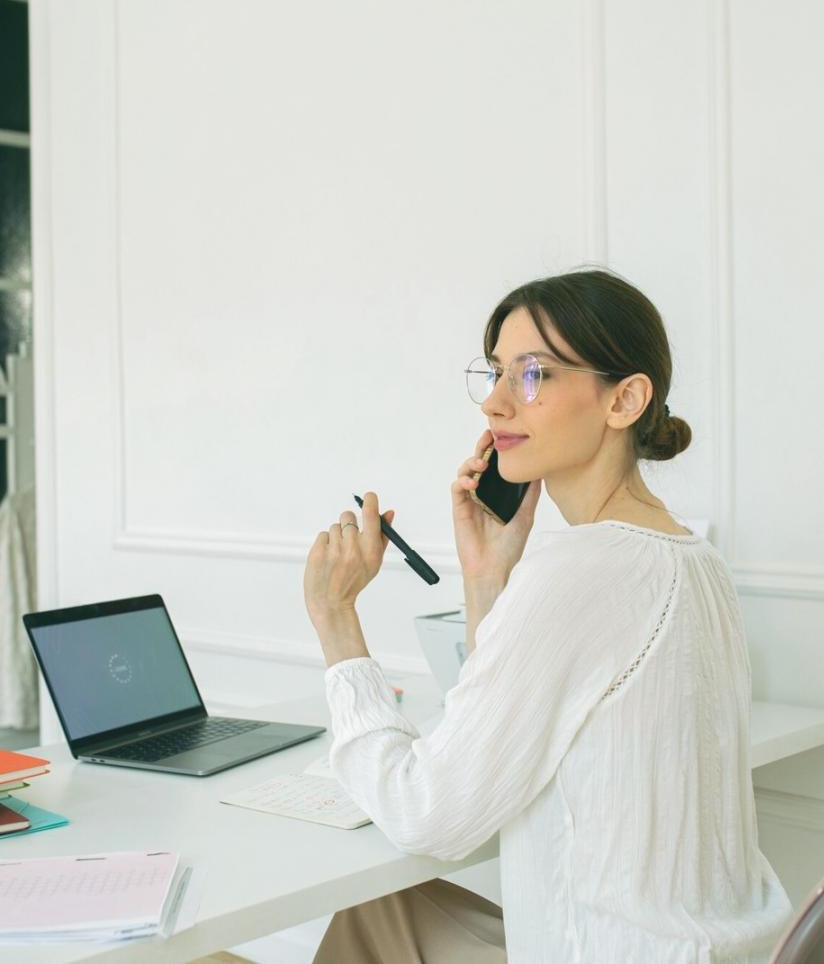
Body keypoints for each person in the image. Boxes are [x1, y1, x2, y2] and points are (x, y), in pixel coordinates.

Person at [302, 268, 792, 962]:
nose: (497, 405)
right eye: (496, 373)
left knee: (365, 927)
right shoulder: (692, 558)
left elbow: (431, 814)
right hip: (707, 949)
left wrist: (336, 620)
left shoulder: (582, 572)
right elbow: (499, 736)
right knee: (380, 919)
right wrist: (488, 576)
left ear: (624, 399)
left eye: (533, 376)